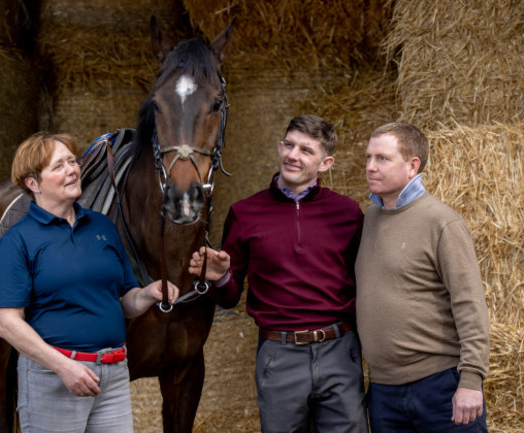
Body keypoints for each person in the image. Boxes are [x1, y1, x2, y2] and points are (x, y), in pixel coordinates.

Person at [189, 115, 368, 433]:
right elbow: (230, 297)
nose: (292, 155)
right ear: (279, 146)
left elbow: (366, 283)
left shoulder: (348, 213)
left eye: (305, 150)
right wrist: (218, 278)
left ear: (326, 163)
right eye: (289, 144)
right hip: (279, 354)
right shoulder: (245, 214)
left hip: (339, 350)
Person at [0, 132, 178, 433]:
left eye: (72, 161)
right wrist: (64, 367)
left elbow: (124, 303)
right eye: (58, 166)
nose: (72, 170)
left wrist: (147, 293)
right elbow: (7, 323)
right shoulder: (19, 240)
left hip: (113, 374)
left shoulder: (101, 226)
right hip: (53, 377)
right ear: (33, 183)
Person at [356, 122, 490, 432]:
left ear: (412, 165)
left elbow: (469, 304)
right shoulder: (370, 219)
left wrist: (471, 380)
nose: (370, 167)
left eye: (382, 159)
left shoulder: (440, 222)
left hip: (440, 387)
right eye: (368, 157)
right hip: (383, 392)